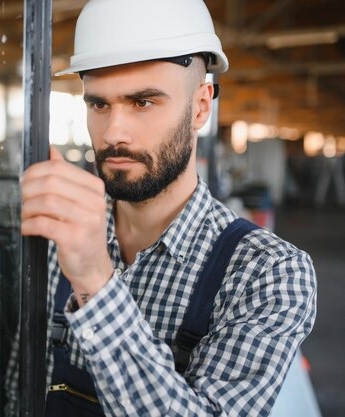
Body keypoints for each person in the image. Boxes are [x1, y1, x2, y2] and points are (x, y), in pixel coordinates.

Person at [19, 0, 317, 415]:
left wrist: (95, 280)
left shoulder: (268, 272)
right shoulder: (51, 236)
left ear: (200, 106)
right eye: (99, 104)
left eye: (143, 102)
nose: (113, 132)